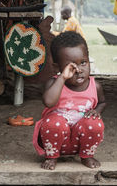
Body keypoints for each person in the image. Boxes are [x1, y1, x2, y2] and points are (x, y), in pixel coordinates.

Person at [32, 31, 106, 170]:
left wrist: (96, 111)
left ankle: (86, 156)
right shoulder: (54, 84)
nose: (78, 70)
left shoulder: (95, 86)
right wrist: (62, 78)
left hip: (80, 141)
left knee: (95, 123)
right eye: (71, 66)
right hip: (55, 140)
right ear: (57, 67)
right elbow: (48, 102)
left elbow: (102, 102)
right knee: (54, 122)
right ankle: (52, 157)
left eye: (83, 62)